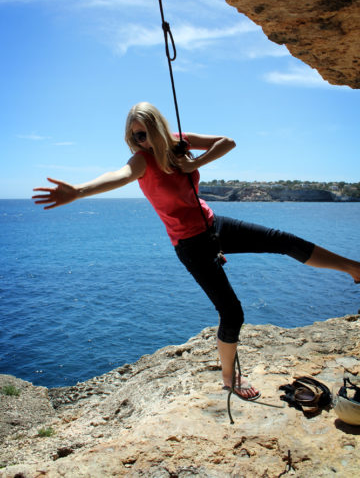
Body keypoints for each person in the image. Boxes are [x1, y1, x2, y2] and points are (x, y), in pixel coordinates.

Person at [33, 102, 360, 401]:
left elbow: (228, 142)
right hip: (190, 244)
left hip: (213, 224)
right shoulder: (140, 161)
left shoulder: (179, 142)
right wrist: (78, 191)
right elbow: (118, 176)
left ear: (159, 128)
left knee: (284, 240)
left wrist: (195, 162)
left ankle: (354, 268)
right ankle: (229, 379)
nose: (140, 141)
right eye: (134, 136)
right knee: (232, 313)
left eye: (145, 133)